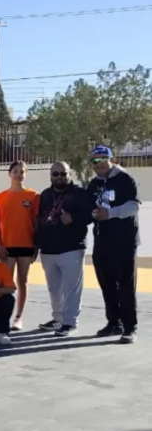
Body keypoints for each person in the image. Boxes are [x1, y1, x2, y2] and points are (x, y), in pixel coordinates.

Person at [87, 146, 140, 344]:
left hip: (124, 242)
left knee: (126, 286)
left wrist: (110, 213)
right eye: (95, 160)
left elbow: (134, 206)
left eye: (103, 159)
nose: (99, 164)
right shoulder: (93, 184)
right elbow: (90, 207)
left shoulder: (126, 179)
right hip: (102, 242)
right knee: (107, 285)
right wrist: (93, 213)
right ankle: (114, 323)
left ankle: (130, 327)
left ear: (112, 159)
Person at [35, 161, 94, 337]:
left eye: (63, 173)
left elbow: (91, 215)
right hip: (48, 250)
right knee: (54, 288)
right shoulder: (45, 195)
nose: (59, 177)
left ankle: (70, 322)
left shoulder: (80, 193)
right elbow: (39, 220)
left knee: (71, 288)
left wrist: (73, 218)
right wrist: (37, 244)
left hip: (71, 248)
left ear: (70, 174)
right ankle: (57, 319)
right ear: (50, 176)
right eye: (55, 174)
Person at [0, 161, 39, 331]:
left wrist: (36, 245)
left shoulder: (33, 196)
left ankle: (18, 317)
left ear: (25, 174)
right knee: (6, 283)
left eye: (22, 172)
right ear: (9, 173)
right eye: (15, 171)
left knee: (23, 281)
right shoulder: (0, 197)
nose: (18, 174)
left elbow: (36, 222)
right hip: (8, 246)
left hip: (26, 245)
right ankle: (3, 316)